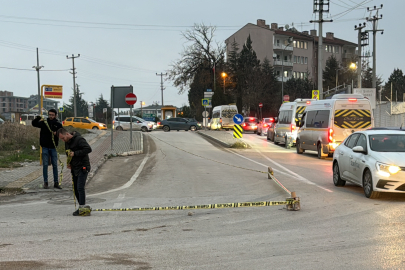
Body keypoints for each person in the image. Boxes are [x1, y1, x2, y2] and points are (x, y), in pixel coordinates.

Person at [57, 128, 92, 216]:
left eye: (63, 138)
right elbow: (67, 153)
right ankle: (81, 207)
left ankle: (82, 208)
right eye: (61, 139)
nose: (63, 140)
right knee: (75, 188)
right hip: (74, 167)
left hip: (83, 166)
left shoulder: (79, 139)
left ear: (67, 134)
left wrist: (75, 153)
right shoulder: (67, 143)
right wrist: (69, 163)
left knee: (80, 187)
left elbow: (88, 149)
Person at [32, 109, 63, 189]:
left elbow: (62, 133)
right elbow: (34, 124)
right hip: (45, 147)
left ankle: (56, 182)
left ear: (55, 115)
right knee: (45, 165)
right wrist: (38, 117)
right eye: (49, 114)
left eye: (52, 115)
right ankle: (46, 182)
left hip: (53, 148)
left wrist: (57, 134)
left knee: (55, 165)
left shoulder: (58, 124)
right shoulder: (44, 123)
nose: (51, 116)